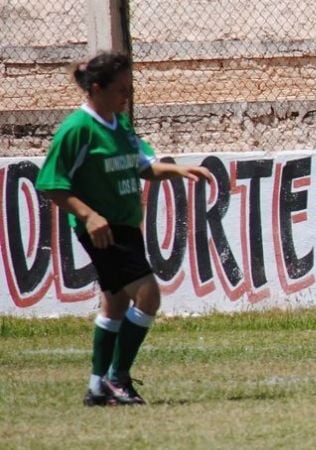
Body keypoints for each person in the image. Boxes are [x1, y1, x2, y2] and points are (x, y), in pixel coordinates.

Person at [35, 51, 212, 406]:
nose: (126, 97)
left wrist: (180, 170)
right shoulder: (78, 129)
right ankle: (118, 377)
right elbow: (50, 183)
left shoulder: (119, 124)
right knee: (148, 295)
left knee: (115, 303)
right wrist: (89, 216)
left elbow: (144, 167)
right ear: (96, 89)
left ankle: (98, 386)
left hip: (126, 226)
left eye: (129, 89)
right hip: (104, 230)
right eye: (120, 89)